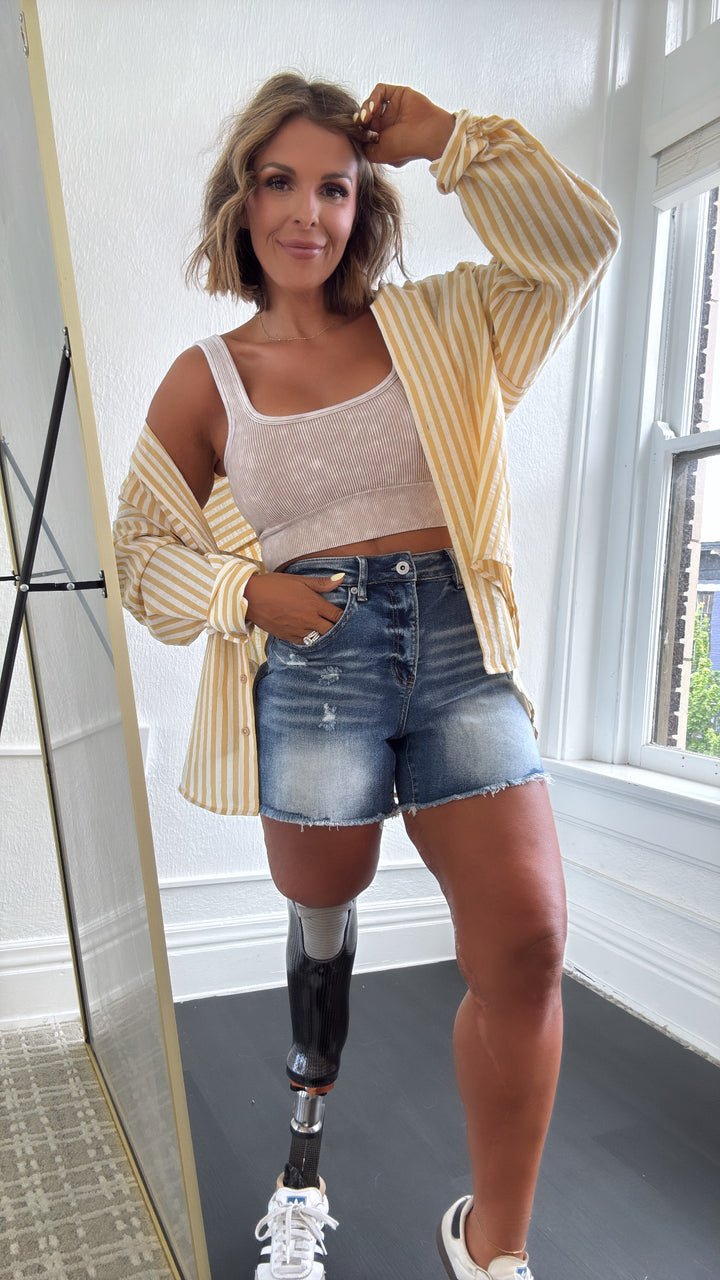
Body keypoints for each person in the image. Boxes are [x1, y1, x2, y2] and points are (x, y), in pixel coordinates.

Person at [114, 73, 619, 1280]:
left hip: (459, 652)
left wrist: (452, 140)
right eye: (279, 183)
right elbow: (138, 549)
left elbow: (580, 242)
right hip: (317, 667)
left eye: (334, 188)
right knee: (322, 902)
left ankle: (493, 1246)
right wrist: (247, 593)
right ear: (241, 202)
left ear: (365, 204)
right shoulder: (207, 377)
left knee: (529, 944)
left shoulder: (444, 322)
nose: (308, 212)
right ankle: (304, 1152)